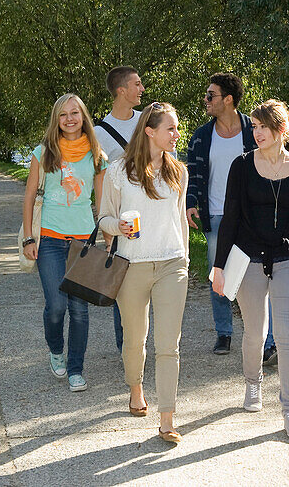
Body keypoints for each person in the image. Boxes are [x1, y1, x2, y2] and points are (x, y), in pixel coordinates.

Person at [212, 99, 289, 440]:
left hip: (287, 258)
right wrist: (218, 267)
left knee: (288, 334)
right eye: (254, 126)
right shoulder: (242, 166)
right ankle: (253, 384)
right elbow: (230, 217)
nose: (256, 132)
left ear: (280, 130)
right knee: (254, 331)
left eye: (263, 127)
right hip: (248, 258)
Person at [98, 101, 189, 443]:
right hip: (131, 266)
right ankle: (135, 389)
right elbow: (104, 219)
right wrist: (118, 227)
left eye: (177, 128)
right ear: (150, 131)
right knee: (135, 339)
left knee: (169, 345)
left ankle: (167, 419)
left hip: (171, 265)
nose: (176, 134)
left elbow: (181, 221)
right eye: (170, 128)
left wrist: (185, 261)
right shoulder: (119, 171)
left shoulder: (179, 171)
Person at [21, 93, 108, 392]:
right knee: (56, 306)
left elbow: (102, 202)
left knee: (80, 310)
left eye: (75, 113)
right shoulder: (43, 152)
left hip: (83, 242)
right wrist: (29, 239)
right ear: (56, 120)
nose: (70, 119)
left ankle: (76, 368)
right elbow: (30, 196)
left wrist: (108, 241)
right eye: (63, 114)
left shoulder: (96, 155)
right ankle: (55, 349)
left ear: (84, 116)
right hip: (50, 241)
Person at [184, 72, 270, 357]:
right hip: (217, 215)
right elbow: (194, 175)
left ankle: (267, 341)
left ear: (228, 99)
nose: (206, 100)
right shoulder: (201, 137)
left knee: (259, 276)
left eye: (211, 95)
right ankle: (224, 333)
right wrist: (191, 202)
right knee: (217, 276)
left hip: (252, 217)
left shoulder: (254, 131)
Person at [94, 65, 145, 352]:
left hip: (150, 211)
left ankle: (143, 340)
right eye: (136, 84)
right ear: (121, 90)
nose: (142, 89)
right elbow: (99, 180)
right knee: (122, 277)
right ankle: (126, 344)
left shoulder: (147, 122)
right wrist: (105, 223)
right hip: (122, 217)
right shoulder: (99, 134)